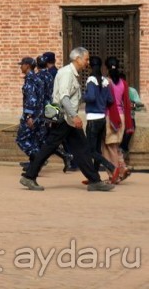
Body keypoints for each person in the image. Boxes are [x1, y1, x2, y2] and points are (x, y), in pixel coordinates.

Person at [20, 47, 114, 191]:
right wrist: (74, 116)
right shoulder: (66, 73)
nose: (87, 62)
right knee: (49, 147)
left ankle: (94, 180)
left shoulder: (72, 74)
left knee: (82, 148)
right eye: (86, 59)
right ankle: (29, 176)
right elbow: (64, 97)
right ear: (78, 59)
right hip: (63, 117)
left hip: (67, 118)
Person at [82, 56, 117, 181]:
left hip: (93, 118)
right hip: (102, 118)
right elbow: (110, 100)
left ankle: (111, 167)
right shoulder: (105, 81)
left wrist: (83, 95)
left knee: (91, 151)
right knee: (97, 149)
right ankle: (94, 177)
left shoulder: (91, 80)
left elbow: (90, 97)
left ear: (91, 66)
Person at [103, 57, 134, 184]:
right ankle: (123, 168)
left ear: (106, 68)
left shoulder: (106, 82)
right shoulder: (123, 83)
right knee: (115, 146)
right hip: (121, 116)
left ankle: (113, 174)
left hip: (110, 115)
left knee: (107, 147)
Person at [15, 57, 42, 171]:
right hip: (38, 114)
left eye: (22, 65)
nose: (21, 67)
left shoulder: (30, 78)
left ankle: (37, 160)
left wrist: (29, 116)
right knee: (33, 140)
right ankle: (34, 164)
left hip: (31, 115)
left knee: (21, 139)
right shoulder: (36, 77)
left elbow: (32, 98)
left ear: (27, 66)